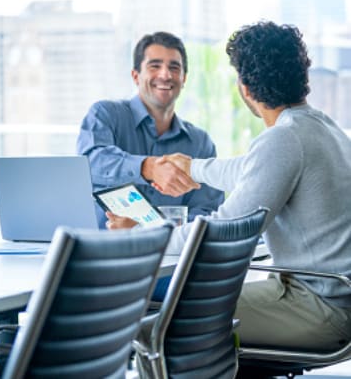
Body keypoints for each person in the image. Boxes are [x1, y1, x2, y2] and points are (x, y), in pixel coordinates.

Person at [107, 21, 351, 353]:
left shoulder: (284, 138)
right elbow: (249, 170)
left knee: (156, 323)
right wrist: (191, 167)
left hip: (317, 307)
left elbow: (224, 233)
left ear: (245, 88)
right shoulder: (321, 127)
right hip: (329, 296)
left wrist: (139, 235)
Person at [77, 31, 224, 229]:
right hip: (104, 251)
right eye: (155, 66)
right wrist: (148, 168)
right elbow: (90, 163)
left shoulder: (200, 143)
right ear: (136, 76)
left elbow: (207, 212)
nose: (165, 75)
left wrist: (152, 230)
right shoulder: (105, 114)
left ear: (184, 78)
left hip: (170, 255)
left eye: (174, 67)